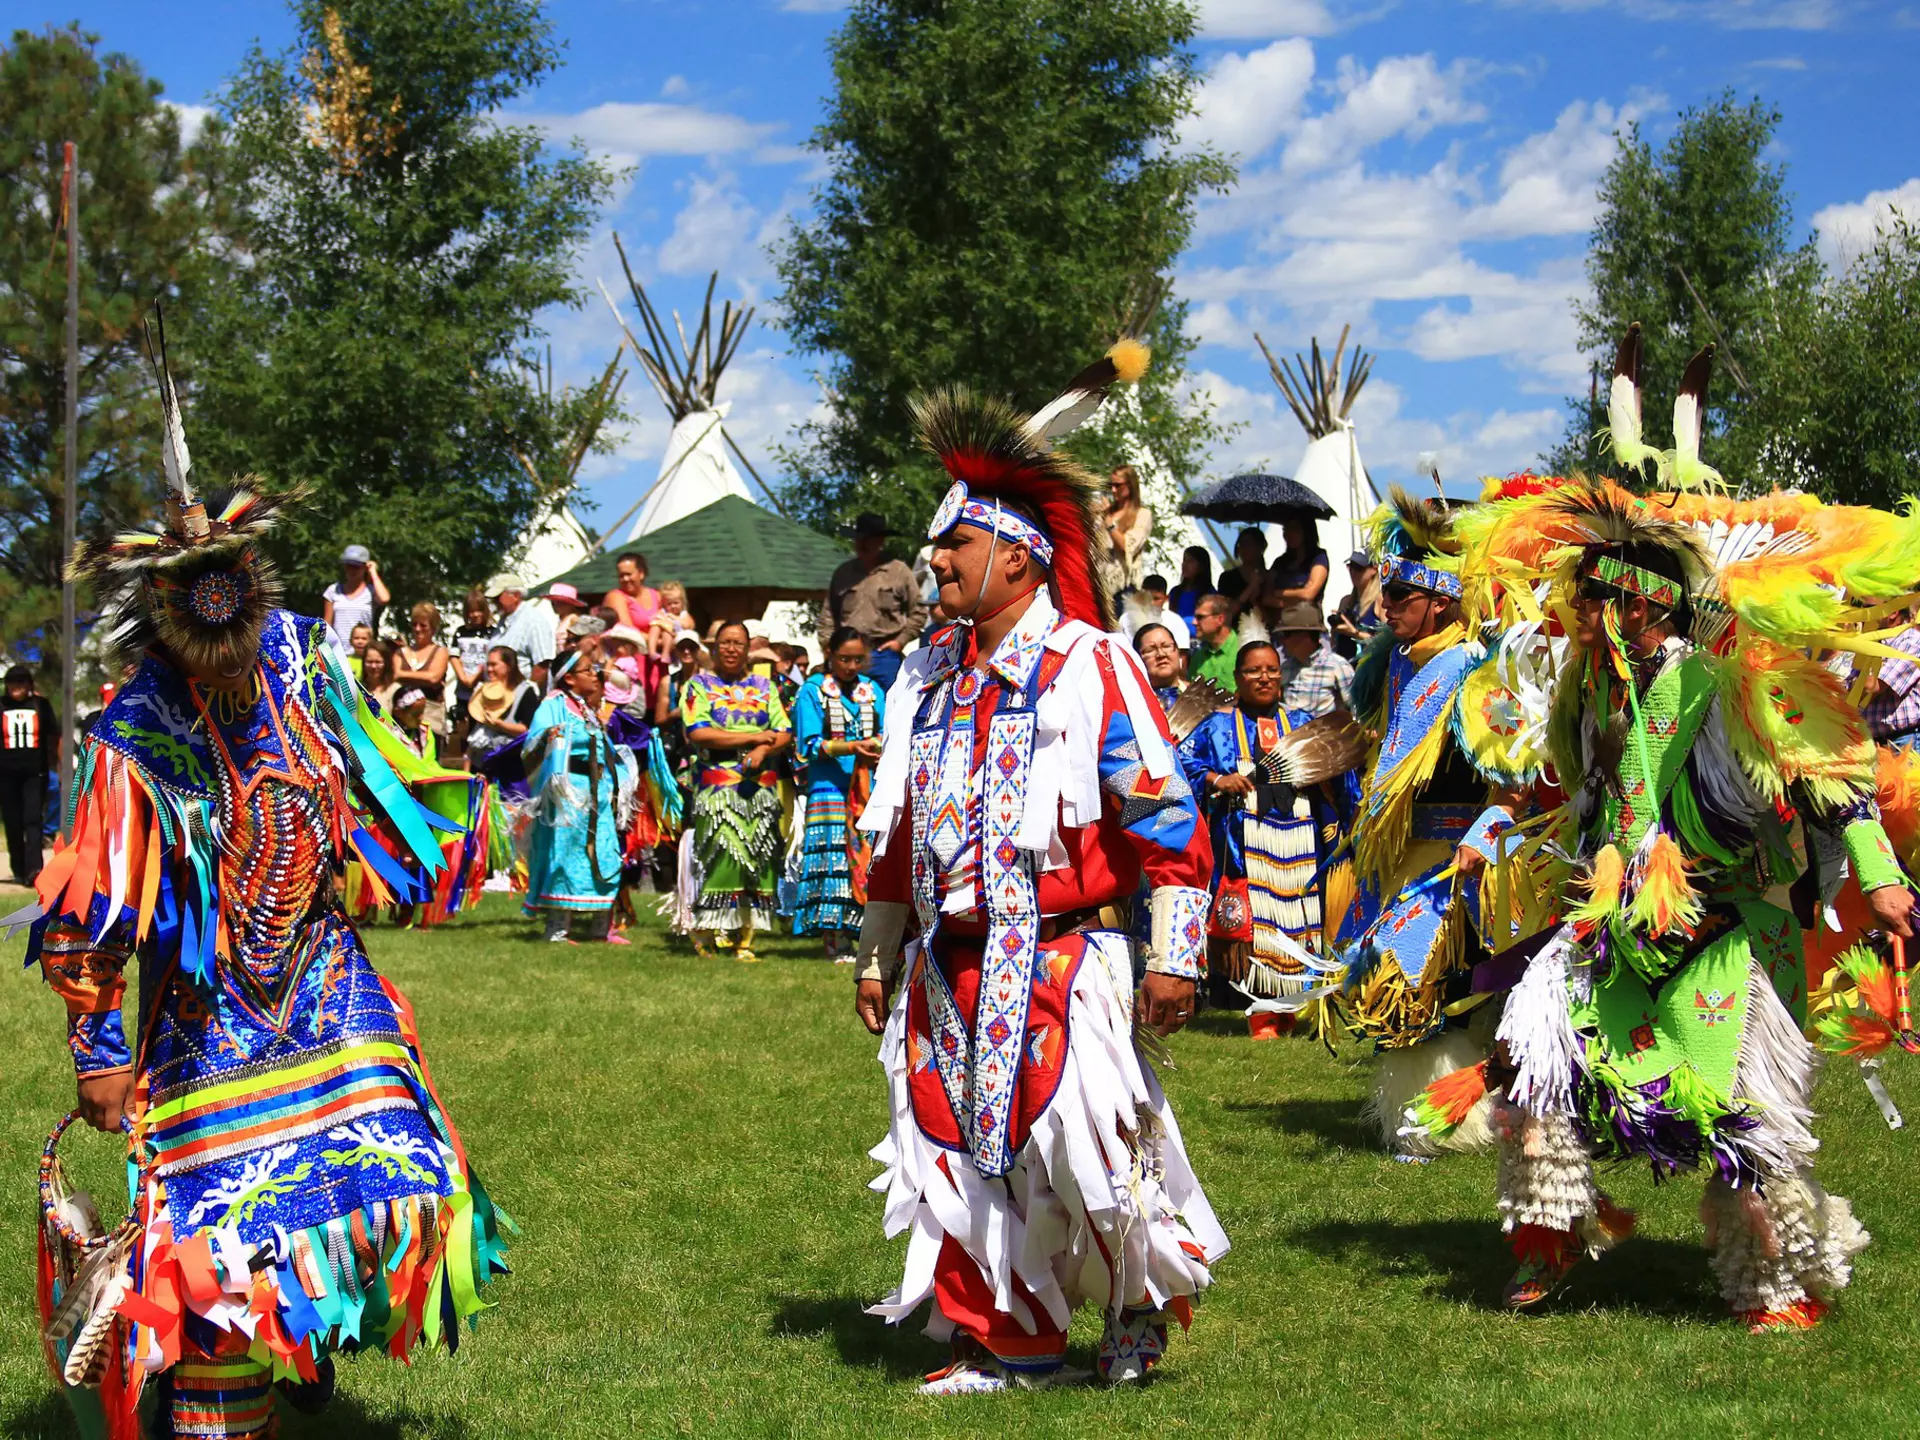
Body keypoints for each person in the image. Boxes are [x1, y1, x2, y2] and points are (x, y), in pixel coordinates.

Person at [25, 361, 505, 1438]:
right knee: (215, 1226)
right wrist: (99, 1052)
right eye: (196, 600)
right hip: (204, 1022)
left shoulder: (299, 656)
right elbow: (85, 910)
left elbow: (368, 775)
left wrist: (419, 843)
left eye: (235, 581)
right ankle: (219, 1404)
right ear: (160, 613)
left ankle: (293, 1352)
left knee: (394, 1175)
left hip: (329, 988)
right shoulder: (134, 735)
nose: (223, 616)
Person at [1450, 473, 1912, 1327]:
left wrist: (1878, 875)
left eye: (1591, 595)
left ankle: (1775, 1279)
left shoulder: (1733, 680)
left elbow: (1835, 778)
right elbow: (1598, 805)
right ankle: (1547, 1238)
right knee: (1540, 1061)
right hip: (1619, 920)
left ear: (1640, 607)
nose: (1573, 609)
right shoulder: (1595, 694)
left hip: (1730, 927)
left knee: (1745, 1117)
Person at [853, 348, 1224, 1394]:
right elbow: (895, 831)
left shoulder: (1087, 665)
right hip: (946, 968)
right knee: (954, 1153)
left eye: (956, 546)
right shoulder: (924, 682)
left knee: (1092, 1154)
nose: (936, 564)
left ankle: (1132, 1316)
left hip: (1065, 961)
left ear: (1017, 558)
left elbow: (1164, 819)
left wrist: (1177, 957)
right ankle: (1006, 1340)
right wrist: (875, 958)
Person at [1329, 488, 1535, 1160]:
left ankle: (1444, 1116)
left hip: (1458, 853)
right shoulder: (1393, 665)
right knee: (1402, 977)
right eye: (1385, 596)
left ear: (1441, 601)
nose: (1384, 608)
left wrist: (1484, 834)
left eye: (1400, 598)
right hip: (1398, 850)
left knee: (1414, 980)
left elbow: (1515, 779)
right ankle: (1440, 1112)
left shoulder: (1476, 669)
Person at [1183, 641, 1352, 1032]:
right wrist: (1217, 778)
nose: (1264, 678)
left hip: (1301, 839)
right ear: (1238, 678)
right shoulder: (1218, 725)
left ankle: (1293, 1008)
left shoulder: (1303, 721)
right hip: (1246, 840)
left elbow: (1339, 772)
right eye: (1254, 671)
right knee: (1258, 926)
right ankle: (1262, 1014)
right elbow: (1184, 762)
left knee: (1300, 920)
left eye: (1272, 670)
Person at [682, 620, 792, 960]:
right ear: (715, 646)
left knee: (757, 859)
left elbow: (784, 730)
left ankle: (745, 939)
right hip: (717, 782)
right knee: (721, 853)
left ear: (748, 649)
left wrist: (762, 750)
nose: (731, 649)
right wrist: (753, 737)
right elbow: (697, 733)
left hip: (759, 785)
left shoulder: (764, 685)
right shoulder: (698, 685)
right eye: (725, 643)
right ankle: (708, 933)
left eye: (738, 643)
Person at [523, 645, 637, 943]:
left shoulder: (586, 707)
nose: (594, 675)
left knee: (604, 850)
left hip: (597, 790)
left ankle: (602, 929)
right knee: (566, 853)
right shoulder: (554, 703)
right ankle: (558, 930)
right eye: (588, 671)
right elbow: (532, 743)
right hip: (568, 792)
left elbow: (625, 689)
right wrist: (549, 736)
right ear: (570, 678)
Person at [791, 627, 885, 960]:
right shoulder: (812, 691)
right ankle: (834, 938)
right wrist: (851, 746)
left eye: (858, 659)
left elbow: (884, 732)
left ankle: (865, 935)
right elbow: (808, 745)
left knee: (866, 861)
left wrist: (876, 747)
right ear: (829, 654)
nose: (850, 665)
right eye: (844, 658)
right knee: (833, 863)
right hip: (828, 789)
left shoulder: (872, 690)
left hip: (867, 789)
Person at [819, 513, 927, 692]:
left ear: (880, 541)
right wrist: (828, 647)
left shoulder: (899, 572)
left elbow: (919, 611)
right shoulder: (843, 573)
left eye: (868, 539)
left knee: (888, 710)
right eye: (859, 539)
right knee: (844, 708)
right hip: (847, 654)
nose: (862, 544)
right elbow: (828, 615)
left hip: (884, 654)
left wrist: (900, 642)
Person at [0, 665, 58, 884]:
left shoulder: (41, 705)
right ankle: (19, 868)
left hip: (35, 773)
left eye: (22, 682)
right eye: (13, 682)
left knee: (33, 819)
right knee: (13, 823)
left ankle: (34, 870)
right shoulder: (1, 705)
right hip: (6, 774)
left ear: (29, 685)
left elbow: (53, 735)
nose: (17, 687)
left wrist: (56, 766)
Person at [1274, 602, 1355, 717]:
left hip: (1325, 733)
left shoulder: (1337, 665)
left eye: (1286, 634)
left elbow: (1356, 708)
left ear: (1305, 636)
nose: (1282, 641)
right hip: (1290, 733)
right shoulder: (1285, 667)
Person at [466, 646, 540, 764]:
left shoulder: (525, 691)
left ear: (509, 666)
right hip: (481, 761)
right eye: (488, 665)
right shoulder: (482, 691)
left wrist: (500, 725)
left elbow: (529, 729)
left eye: (494, 665)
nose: (489, 669)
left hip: (511, 763)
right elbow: (473, 733)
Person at [394, 601, 452, 744]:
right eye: (414, 625)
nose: (418, 629)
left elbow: (434, 677)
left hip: (431, 716)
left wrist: (404, 674)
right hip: (402, 719)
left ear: (433, 628)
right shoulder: (400, 652)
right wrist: (422, 677)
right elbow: (394, 675)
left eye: (423, 625)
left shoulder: (440, 651)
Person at [449, 588, 494, 765]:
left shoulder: (492, 633)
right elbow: (454, 656)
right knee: (463, 731)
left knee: (481, 732)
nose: (475, 615)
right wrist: (463, 678)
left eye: (479, 610)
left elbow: (492, 658)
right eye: (471, 611)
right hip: (463, 691)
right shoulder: (461, 632)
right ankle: (463, 767)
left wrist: (475, 676)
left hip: (484, 690)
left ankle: (480, 767)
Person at [489, 573, 555, 689]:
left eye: (498, 597)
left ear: (515, 596)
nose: (494, 602)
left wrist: (525, 696)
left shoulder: (533, 622)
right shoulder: (503, 622)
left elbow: (542, 666)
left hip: (521, 700)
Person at [321, 542, 390, 648]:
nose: (352, 570)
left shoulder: (371, 591)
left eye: (356, 567)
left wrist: (373, 572)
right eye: (349, 566)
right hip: (338, 651)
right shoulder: (333, 590)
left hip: (363, 652)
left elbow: (384, 598)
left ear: (364, 567)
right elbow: (327, 624)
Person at [1100, 463, 1155, 592]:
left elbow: (1127, 548)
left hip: (1122, 586)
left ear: (1130, 485)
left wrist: (1108, 522)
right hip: (1097, 584)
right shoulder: (1106, 511)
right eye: (1110, 486)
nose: (1113, 490)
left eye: (1118, 486)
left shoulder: (1142, 514)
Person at [1268, 516, 1329, 612]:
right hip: (1281, 623)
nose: (1288, 534)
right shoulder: (1280, 562)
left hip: (1309, 622)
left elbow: (1309, 594)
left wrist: (1278, 593)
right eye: (1285, 529)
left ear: (1306, 531)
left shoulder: (1318, 557)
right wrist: (1298, 595)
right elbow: (1266, 597)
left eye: (1294, 529)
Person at [1330, 550, 1382, 660]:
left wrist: (1355, 633)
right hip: (1347, 670)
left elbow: (1387, 643)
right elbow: (1334, 643)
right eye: (1350, 566)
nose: (1353, 572)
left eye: (1359, 568)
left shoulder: (1380, 601)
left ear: (1374, 569)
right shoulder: (1346, 601)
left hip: (1370, 669)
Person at [1188, 593, 1240, 692]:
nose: (1194, 622)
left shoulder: (1242, 651)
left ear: (1220, 620)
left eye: (1200, 617)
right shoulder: (1198, 655)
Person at [1133, 622, 1187, 713]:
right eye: (1150, 650)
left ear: (1178, 651)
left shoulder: (1202, 696)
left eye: (1166, 646)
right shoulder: (1134, 704)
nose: (1161, 654)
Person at [604, 551, 662, 633]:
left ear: (641, 574)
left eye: (628, 574)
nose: (625, 579)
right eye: (621, 575)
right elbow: (628, 632)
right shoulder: (616, 596)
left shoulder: (657, 596)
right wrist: (658, 641)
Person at [1223, 528, 1269, 630]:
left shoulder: (1270, 577)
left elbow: (1271, 619)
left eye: (1249, 544)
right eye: (1241, 544)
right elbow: (1228, 613)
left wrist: (1254, 599)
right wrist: (1251, 587)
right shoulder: (1228, 578)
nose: (1244, 549)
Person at [1166, 545, 1214, 622]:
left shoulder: (1209, 593)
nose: (1184, 564)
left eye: (1190, 561)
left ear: (1201, 566)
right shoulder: (1175, 592)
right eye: (1184, 560)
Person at [360, 637, 398, 710]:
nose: (373, 666)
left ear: (386, 663)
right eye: (369, 662)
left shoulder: (395, 691)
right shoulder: (358, 690)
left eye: (378, 662)